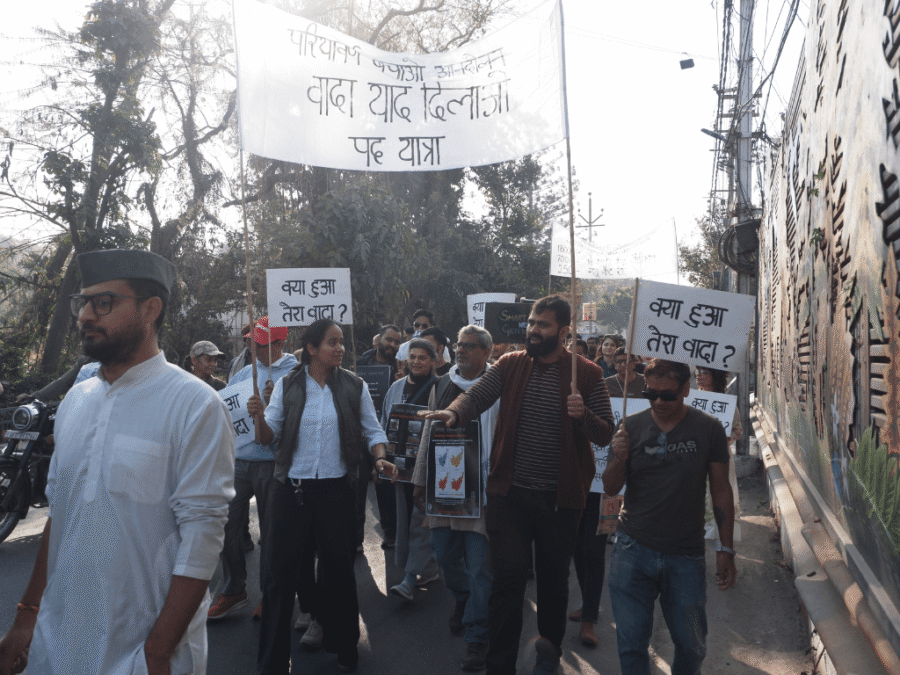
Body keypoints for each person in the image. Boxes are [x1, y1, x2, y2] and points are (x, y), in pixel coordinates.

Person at [0, 248, 235, 675]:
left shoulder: (195, 405)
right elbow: (60, 514)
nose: (86, 315)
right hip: (56, 642)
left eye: (103, 302)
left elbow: (202, 537)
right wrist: (26, 617)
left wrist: (157, 652)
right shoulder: (76, 401)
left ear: (150, 309)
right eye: (82, 303)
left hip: (139, 651)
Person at [422, 295, 615, 675]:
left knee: (553, 583)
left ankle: (548, 656)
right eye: (531, 322)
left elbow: (606, 433)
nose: (533, 330)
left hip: (561, 502)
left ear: (564, 331)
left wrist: (583, 415)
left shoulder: (587, 373)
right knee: (506, 581)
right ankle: (500, 665)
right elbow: (476, 395)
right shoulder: (510, 363)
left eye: (543, 324)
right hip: (509, 497)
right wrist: (453, 412)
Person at [248, 318, 397, 675]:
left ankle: (345, 647)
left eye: (341, 341)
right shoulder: (287, 385)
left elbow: (372, 429)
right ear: (312, 349)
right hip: (291, 490)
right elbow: (267, 438)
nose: (340, 348)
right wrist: (258, 417)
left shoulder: (354, 385)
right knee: (279, 577)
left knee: (339, 572)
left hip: (336, 491)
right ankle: (272, 663)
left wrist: (380, 458)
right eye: (332, 342)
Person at [603, 359, 736, 675]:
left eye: (667, 395)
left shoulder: (709, 429)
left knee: (692, 646)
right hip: (632, 551)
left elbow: (721, 490)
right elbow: (610, 487)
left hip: (685, 555)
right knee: (631, 645)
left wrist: (725, 548)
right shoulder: (629, 428)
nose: (659, 402)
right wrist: (619, 457)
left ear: (686, 389)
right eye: (651, 394)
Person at [412, 326, 498, 671]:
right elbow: (428, 432)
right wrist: (420, 479)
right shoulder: (442, 384)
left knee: (479, 568)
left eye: (469, 346)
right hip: (445, 486)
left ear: (487, 352)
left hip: (483, 489)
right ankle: (463, 599)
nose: (461, 350)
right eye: (458, 345)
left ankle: (477, 637)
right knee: (444, 555)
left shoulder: (500, 384)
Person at [207, 318, 298, 621]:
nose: (255, 350)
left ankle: (270, 594)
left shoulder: (297, 373)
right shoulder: (245, 372)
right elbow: (227, 410)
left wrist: (273, 405)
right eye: (253, 343)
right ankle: (234, 589)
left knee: (272, 532)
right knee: (225, 523)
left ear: (280, 344)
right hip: (239, 461)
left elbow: (301, 419)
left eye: (262, 345)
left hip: (273, 462)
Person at [382, 338, 442, 601]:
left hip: (429, 465)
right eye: (412, 357)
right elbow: (384, 422)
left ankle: (409, 578)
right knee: (405, 518)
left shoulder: (441, 387)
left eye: (422, 357)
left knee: (421, 519)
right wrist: (381, 460)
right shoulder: (395, 387)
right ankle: (425, 568)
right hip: (400, 466)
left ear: (433, 361)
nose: (416, 362)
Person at [355, 324, 403, 550]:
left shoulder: (400, 368)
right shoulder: (360, 364)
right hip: (359, 432)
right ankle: (355, 538)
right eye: (389, 339)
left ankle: (390, 533)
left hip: (385, 432)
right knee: (357, 488)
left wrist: (401, 380)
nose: (392, 344)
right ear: (378, 341)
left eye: (397, 341)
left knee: (384, 487)